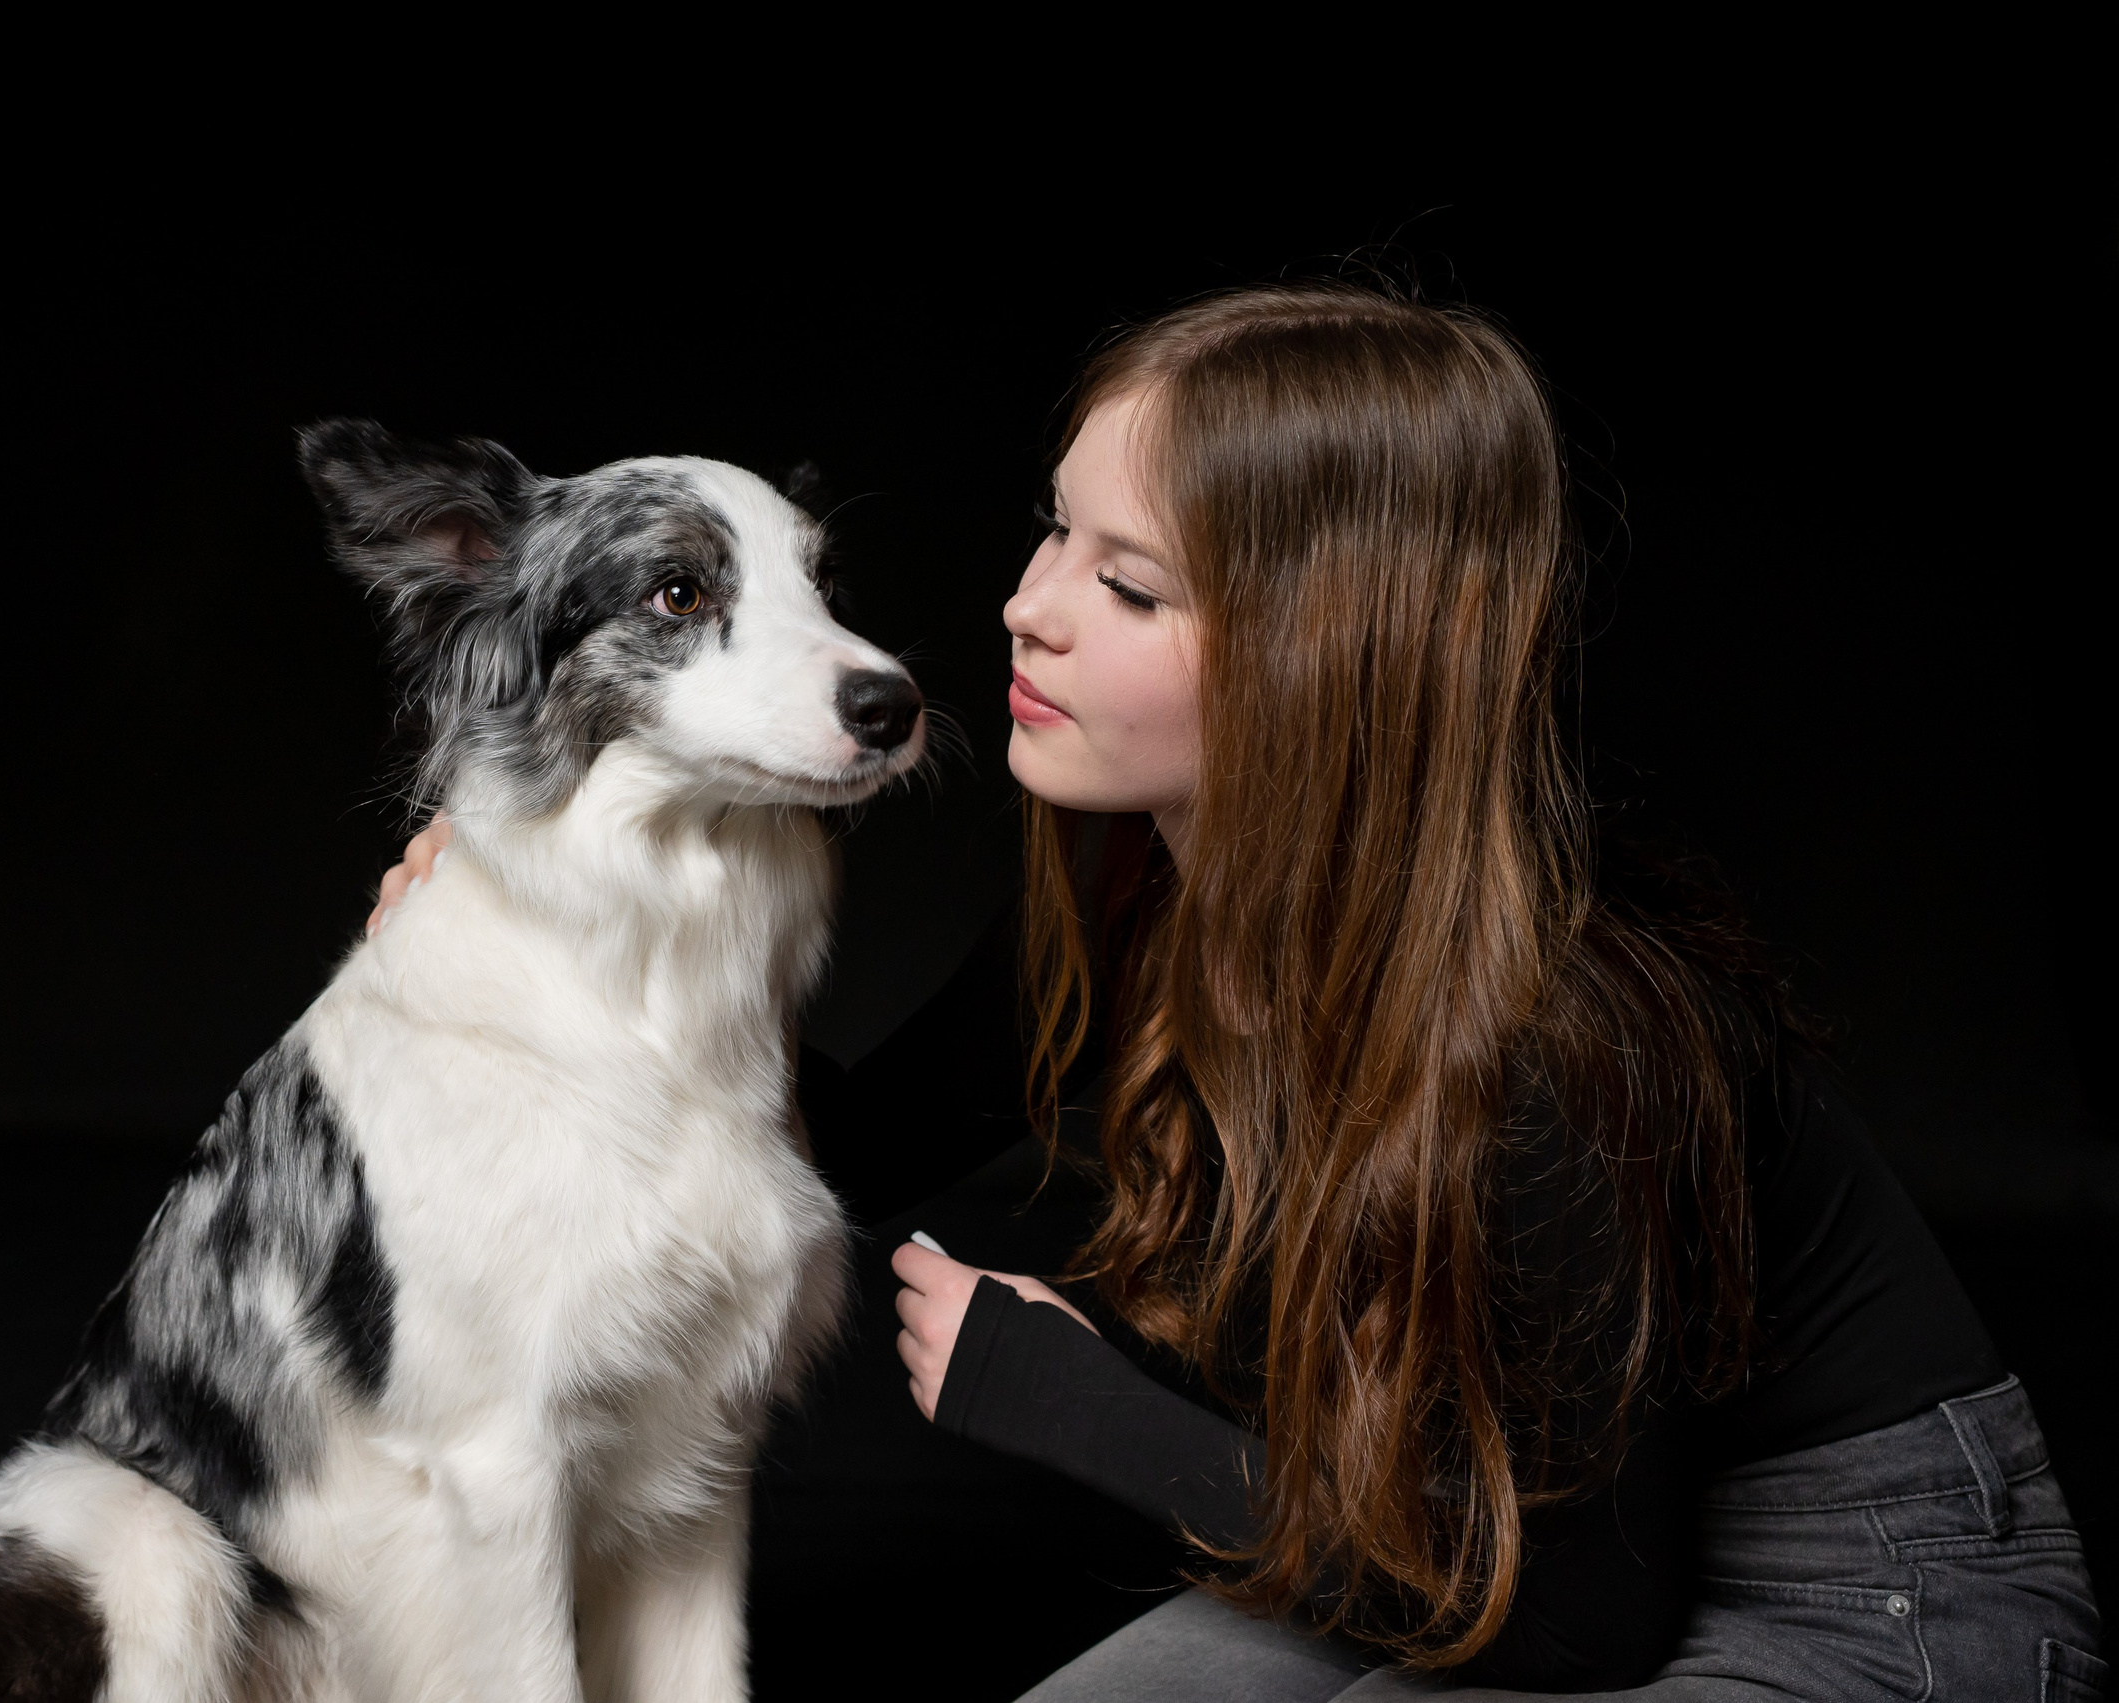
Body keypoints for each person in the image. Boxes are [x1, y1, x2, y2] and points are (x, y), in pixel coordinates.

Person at [370, 285, 2104, 1698]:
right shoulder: (1140, 895)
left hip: (1858, 1595)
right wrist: (555, 971)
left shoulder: (1559, 1038)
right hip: (1425, 1534)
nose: (1023, 607)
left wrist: (1069, 1404)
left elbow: (1583, 1628)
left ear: (1316, 658)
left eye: (1124, 584)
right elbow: (851, 1139)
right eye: (1056, 532)